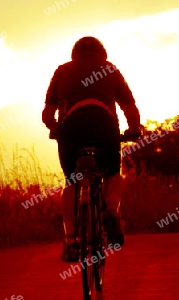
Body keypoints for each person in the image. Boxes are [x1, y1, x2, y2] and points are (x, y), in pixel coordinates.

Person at [42, 36, 141, 262]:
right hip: (104, 126)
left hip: (71, 129)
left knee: (71, 181)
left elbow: (47, 115)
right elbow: (129, 107)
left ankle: (70, 241)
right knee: (113, 173)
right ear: (102, 53)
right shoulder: (110, 69)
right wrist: (134, 129)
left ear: (74, 54)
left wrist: (56, 128)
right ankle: (112, 211)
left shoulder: (62, 71)